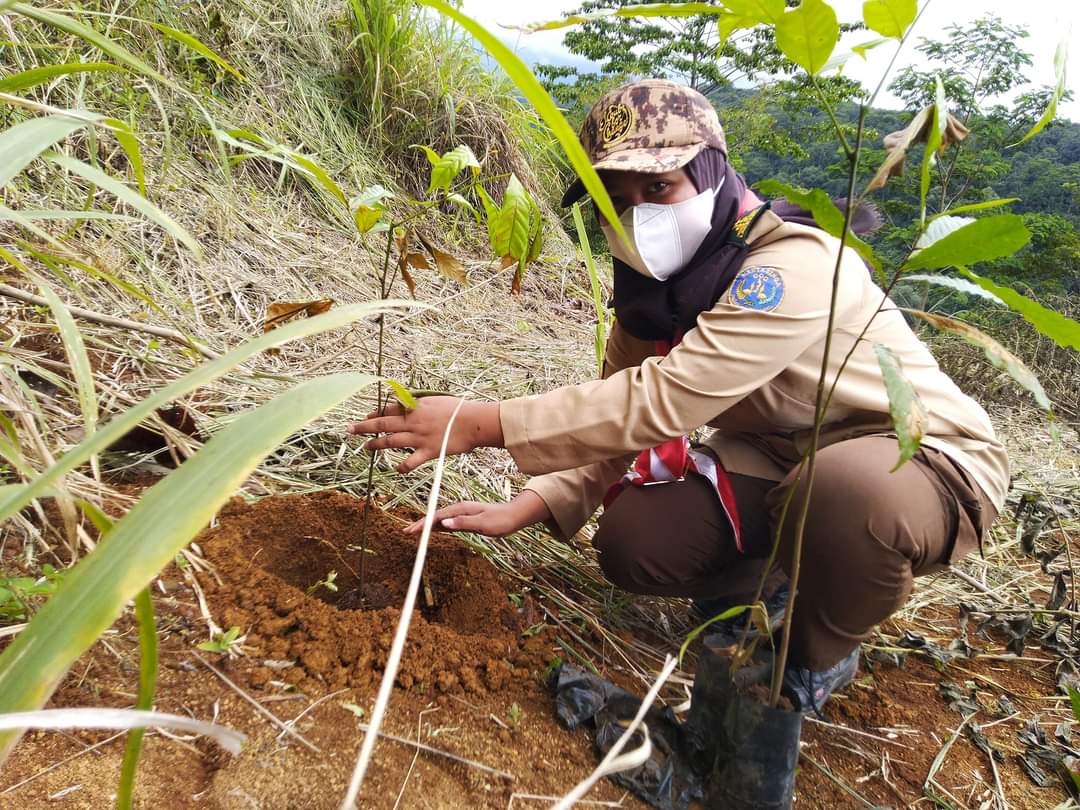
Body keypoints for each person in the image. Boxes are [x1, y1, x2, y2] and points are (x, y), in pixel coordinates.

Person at [349, 79, 1008, 715]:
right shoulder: (655, 296)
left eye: (659, 186)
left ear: (714, 172)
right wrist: (533, 501)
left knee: (842, 494)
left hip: (917, 462)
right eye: (617, 198)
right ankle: (765, 584)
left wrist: (480, 423)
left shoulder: (790, 266)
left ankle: (816, 655)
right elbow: (619, 412)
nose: (641, 213)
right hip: (783, 462)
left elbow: (663, 400)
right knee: (635, 540)